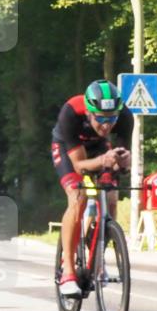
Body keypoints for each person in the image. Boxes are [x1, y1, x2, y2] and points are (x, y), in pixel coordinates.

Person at [51, 80, 132, 296]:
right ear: (88, 112)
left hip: (98, 148)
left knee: (111, 196)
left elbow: (122, 157)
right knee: (78, 197)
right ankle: (68, 270)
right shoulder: (71, 112)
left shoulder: (125, 116)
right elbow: (79, 165)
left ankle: (97, 255)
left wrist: (123, 162)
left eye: (112, 118)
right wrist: (104, 161)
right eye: (101, 119)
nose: (107, 125)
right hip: (69, 148)